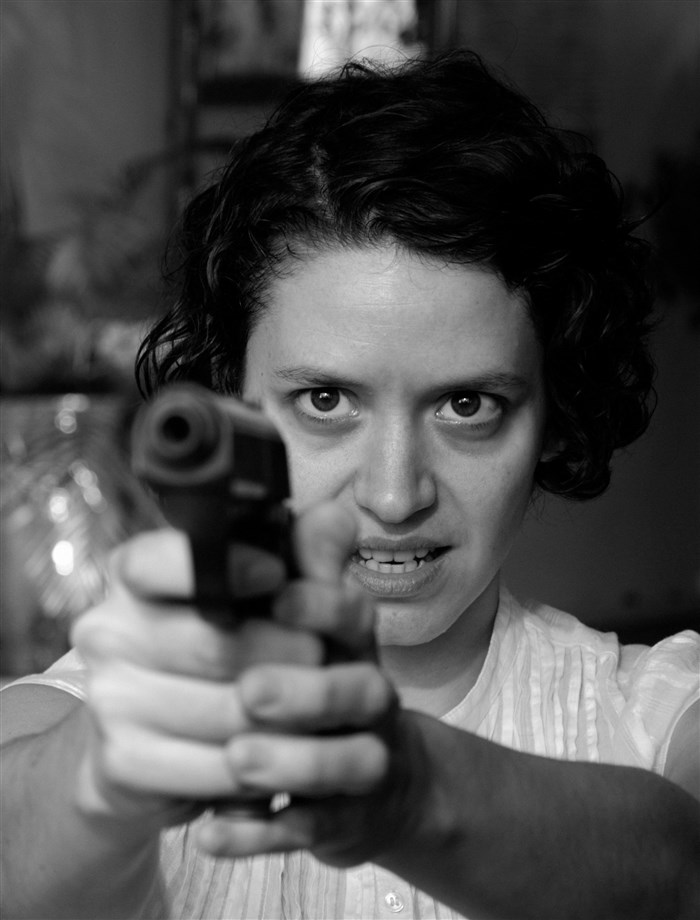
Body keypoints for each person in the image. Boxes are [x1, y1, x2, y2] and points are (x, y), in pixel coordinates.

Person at [2, 50, 699, 920]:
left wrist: (410, 790)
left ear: (553, 416)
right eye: (326, 401)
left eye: (468, 405)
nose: (394, 495)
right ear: (231, 399)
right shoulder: (95, 708)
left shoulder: (660, 713)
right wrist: (100, 772)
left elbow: (681, 865)